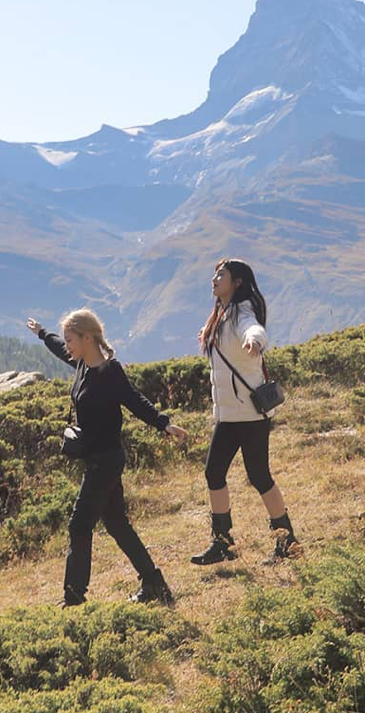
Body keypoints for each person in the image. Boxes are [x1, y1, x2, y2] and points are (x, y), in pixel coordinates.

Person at [26, 309, 188, 606]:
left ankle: (74, 597)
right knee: (116, 523)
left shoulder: (109, 371)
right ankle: (154, 583)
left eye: (71, 340)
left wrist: (163, 423)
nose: (68, 346)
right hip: (97, 458)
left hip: (106, 460)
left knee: (79, 525)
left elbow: (135, 400)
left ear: (88, 337)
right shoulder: (82, 364)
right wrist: (41, 334)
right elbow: (60, 351)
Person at [191, 258, 300, 566]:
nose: (214, 279)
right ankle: (222, 543)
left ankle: (287, 540)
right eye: (214, 274)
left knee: (259, 476)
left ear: (237, 282)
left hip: (250, 415)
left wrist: (254, 339)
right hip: (227, 415)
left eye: (221, 275)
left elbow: (252, 328)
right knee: (214, 473)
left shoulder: (241, 311)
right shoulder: (220, 314)